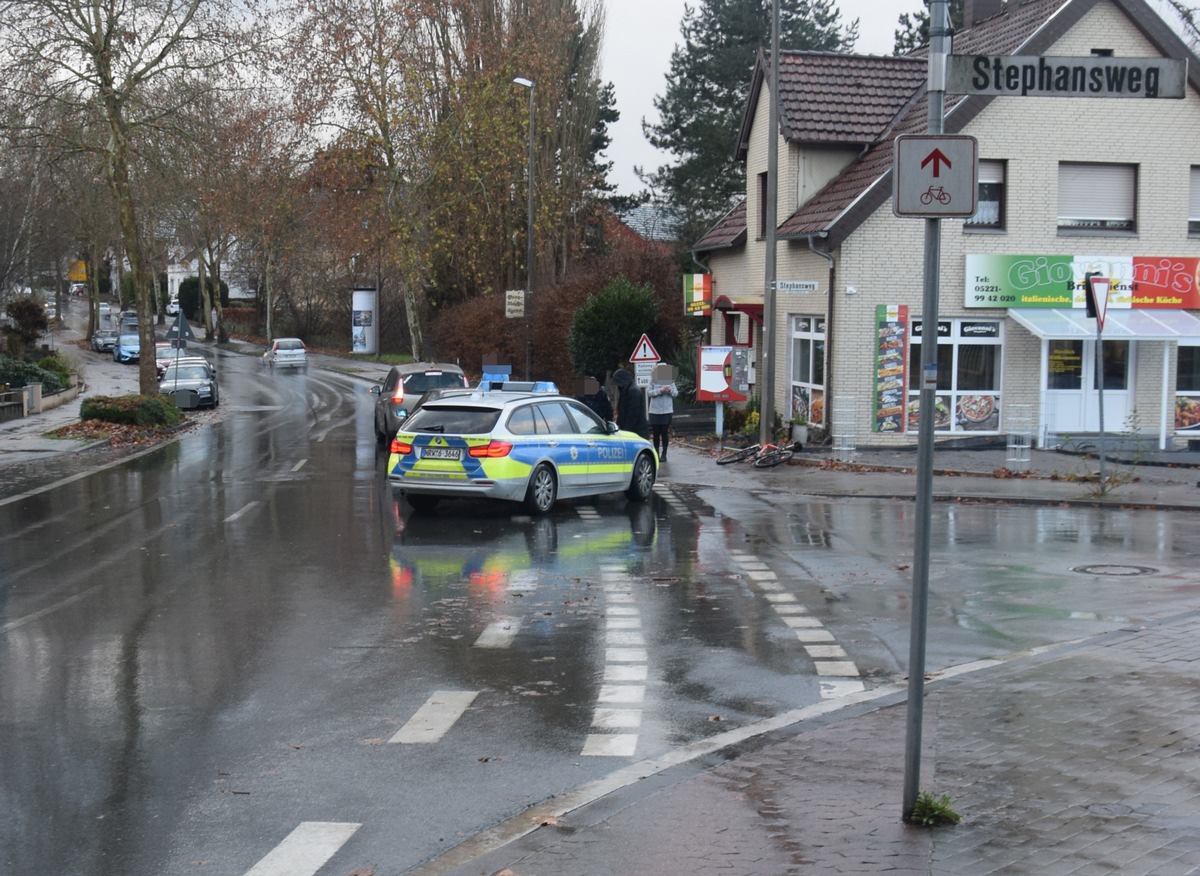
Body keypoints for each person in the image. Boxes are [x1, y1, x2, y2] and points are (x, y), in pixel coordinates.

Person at [647, 373, 679, 461]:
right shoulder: (652, 380)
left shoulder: (670, 381)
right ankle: (656, 453)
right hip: (655, 411)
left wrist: (669, 390)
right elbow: (649, 393)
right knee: (656, 433)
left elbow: (676, 393)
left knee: (664, 432)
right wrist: (660, 390)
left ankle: (664, 454)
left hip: (667, 411)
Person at [612, 367, 649, 439]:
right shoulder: (626, 391)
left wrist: (626, 430)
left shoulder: (633, 392)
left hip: (637, 432)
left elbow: (633, 414)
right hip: (630, 431)